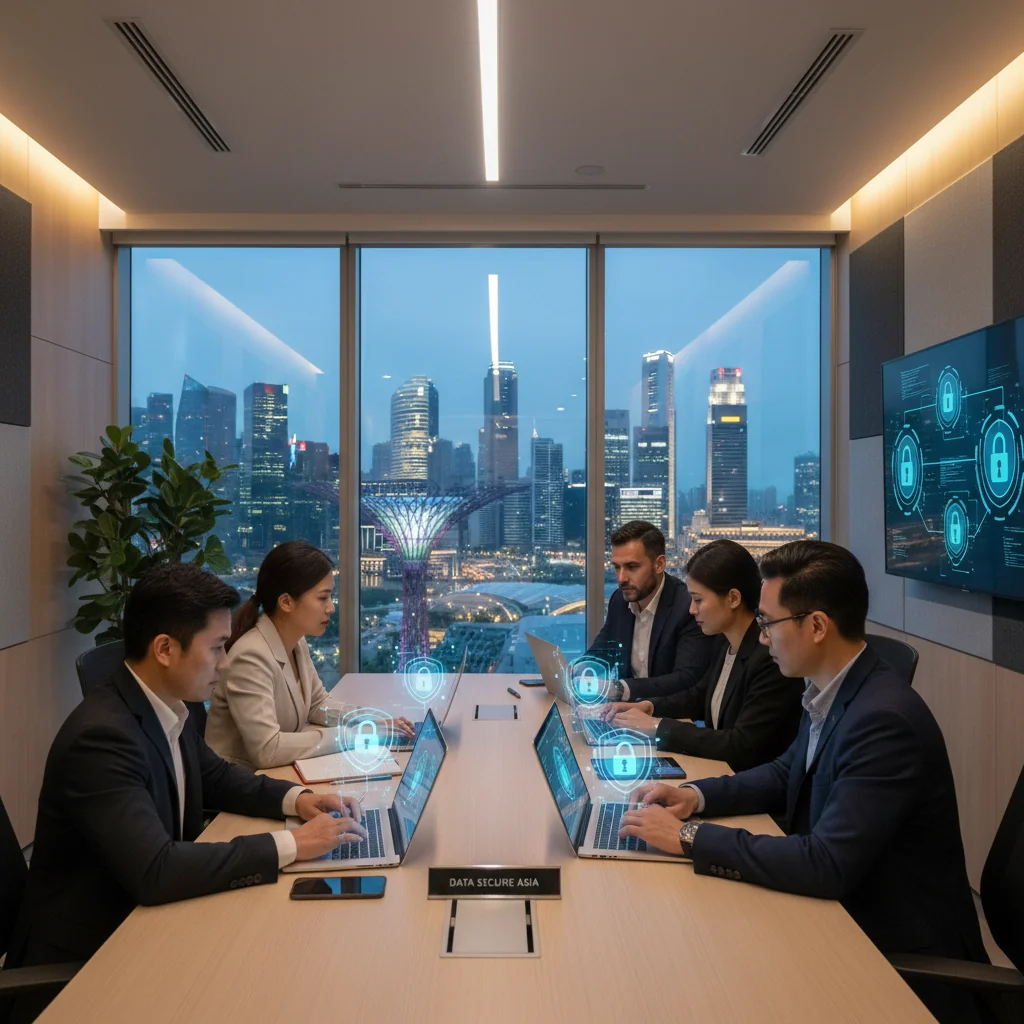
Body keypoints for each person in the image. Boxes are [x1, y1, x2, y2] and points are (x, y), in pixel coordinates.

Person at [618, 541, 990, 1024]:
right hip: (840, 912)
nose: (762, 638)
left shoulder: (883, 720)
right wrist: (694, 796)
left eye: (769, 623)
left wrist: (688, 837)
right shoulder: (832, 691)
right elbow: (784, 771)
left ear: (816, 626)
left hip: (890, 954)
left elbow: (826, 862)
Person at [6, 564, 367, 998]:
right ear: (164, 649)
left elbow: (217, 777)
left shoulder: (163, 706)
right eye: (216, 648)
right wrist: (293, 844)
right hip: (92, 962)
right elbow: (156, 869)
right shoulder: (101, 739)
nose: (226, 663)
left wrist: (299, 799)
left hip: (150, 925)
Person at [597, 539, 803, 770]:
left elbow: (741, 745)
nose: (692, 609)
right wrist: (648, 707)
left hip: (750, 785)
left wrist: (656, 727)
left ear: (733, 599)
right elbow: (698, 696)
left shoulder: (770, 657)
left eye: (698, 600)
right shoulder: (725, 642)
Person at [206, 542, 413, 770]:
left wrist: (372, 721)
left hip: (275, 774)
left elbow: (317, 705)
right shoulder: (250, 656)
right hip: (237, 784)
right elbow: (268, 749)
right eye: (323, 598)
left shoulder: (296, 642)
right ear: (286, 602)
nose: (331, 608)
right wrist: (350, 735)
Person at [583, 521, 716, 701]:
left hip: (669, 713)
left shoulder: (687, 607)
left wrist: (620, 689)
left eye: (632, 567)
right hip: (624, 711)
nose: (621, 578)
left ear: (659, 564)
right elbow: (604, 646)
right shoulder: (619, 601)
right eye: (617, 567)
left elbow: (686, 678)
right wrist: (581, 668)